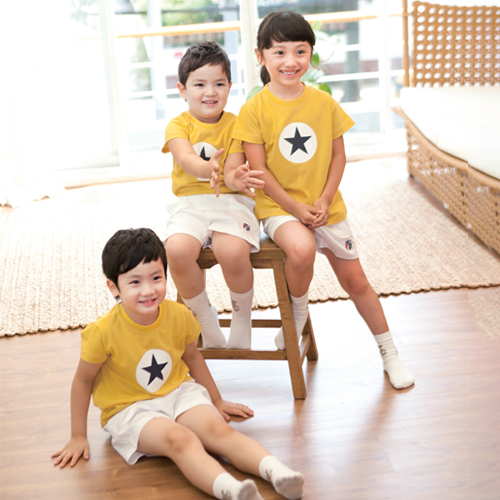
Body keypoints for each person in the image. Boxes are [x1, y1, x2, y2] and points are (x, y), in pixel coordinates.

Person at [232, 11, 414, 390]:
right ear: (260, 56)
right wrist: (296, 208)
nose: (290, 61)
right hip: (279, 208)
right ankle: (298, 314)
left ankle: (390, 353)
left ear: (310, 54)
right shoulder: (253, 110)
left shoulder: (323, 102)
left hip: (325, 206)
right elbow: (260, 172)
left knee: (357, 281)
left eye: (300, 51)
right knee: (301, 250)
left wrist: (325, 199)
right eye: (279, 52)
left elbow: (338, 156)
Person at [51, 228, 304, 500]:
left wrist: (216, 399)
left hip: (179, 392)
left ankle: (278, 473)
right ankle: (232, 492)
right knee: (181, 440)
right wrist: (78, 436)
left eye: (156, 278)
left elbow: (192, 357)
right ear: (114, 287)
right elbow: (83, 381)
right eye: (135, 282)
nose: (148, 290)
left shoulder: (179, 315)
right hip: (130, 409)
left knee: (219, 432)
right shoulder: (102, 333)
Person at [162, 41, 264, 350]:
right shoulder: (178, 125)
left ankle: (242, 318)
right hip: (190, 204)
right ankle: (206, 320)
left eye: (219, 84)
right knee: (176, 251)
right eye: (199, 84)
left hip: (231, 201)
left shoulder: (236, 124)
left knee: (232, 252)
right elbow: (186, 158)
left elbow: (232, 171)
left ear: (230, 87)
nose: (210, 92)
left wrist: (235, 177)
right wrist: (209, 169)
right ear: (182, 90)